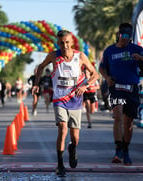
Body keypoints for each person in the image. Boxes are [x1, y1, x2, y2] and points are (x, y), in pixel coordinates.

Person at [32, 30, 99, 177]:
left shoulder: (80, 56)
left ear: (72, 43)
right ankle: (60, 165)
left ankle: (73, 149)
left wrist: (85, 86)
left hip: (75, 100)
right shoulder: (53, 56)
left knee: (75, 138)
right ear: (58, 43)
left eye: (67, 42)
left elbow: (95, 74)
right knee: (62, 129)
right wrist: (36, 84)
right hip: (59, 99)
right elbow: (41, 67)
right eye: (62, 43)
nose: (65, 46)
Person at [99, 23, 143, 165]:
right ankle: (118, 150)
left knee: (128, 122)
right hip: (116, 88)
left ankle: (126, 150)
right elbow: (102, 68)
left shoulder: (136, 49)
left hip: (131, 89)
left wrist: (140, 58)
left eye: (127, 36)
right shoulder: (110, 51)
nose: (125, 39)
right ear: (118, 35)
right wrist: (107, 78)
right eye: (123, 36)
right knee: (117, 116)